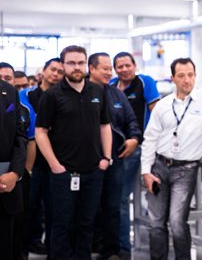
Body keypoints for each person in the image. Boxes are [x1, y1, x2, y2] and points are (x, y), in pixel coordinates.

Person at [35, 45, 112, 259]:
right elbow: (40, 132)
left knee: (87, 224)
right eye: (71, 63)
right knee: (62, 225)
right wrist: (54, 165)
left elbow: (105, 126)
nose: (76, 67)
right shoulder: (52, 96)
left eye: (80, 62)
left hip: (93, 171)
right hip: (63, 172)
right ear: (63, 65)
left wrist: (106, 157)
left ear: (86, 65)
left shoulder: (97, 91)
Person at [142, 58, 202, 259]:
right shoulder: (163, 104)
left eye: (190, 75)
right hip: (159, 166)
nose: (187, 80)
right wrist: (146, 172)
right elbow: (150, 138)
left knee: (177, 222)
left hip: (185, 170)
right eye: (181, 76)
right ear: (172, 79)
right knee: (156, 222)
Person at [88, 52, 142, 259]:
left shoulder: (116, 94)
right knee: (88, 206)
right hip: (88, 159)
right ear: (92, 69)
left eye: (110, 68)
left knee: (113, 205)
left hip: (115, 158)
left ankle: (112, 251)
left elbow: (131, 120)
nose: (109, 72)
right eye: (105, 68)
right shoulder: (81, 92)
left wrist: (134, 138)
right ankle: (88, 248)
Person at [110, 51, 161, 257]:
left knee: (123, 198)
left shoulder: (145, 82)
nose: (124, 70)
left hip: (141, 146)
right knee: (115, 198)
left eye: (127, 65)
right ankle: (116, 245)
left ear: (134, 65)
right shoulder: (112, 86)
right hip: (115, 149)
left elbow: (157, 114)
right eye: (119, 66)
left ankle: (124, 249)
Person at [19, 57, 64, 256]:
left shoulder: (63, 96)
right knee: (31, 203)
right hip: (33, 159)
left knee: (55, 206)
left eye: (60, 72)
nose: (55, 74)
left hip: (58, 157)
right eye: (52, 70)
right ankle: (33, 240)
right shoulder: (27, 95)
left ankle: (54, 246)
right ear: (43, 71)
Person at [0, 74, 27, 260]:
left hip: (5, 185)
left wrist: (15, 173)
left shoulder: (9, 91)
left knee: (5, 246)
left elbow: (20, 136)